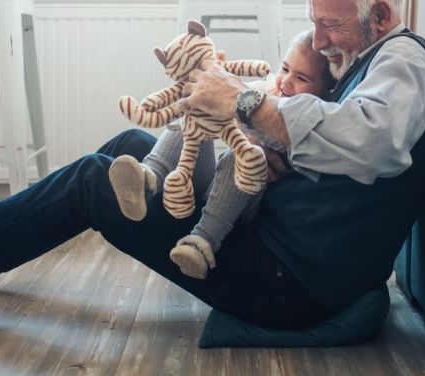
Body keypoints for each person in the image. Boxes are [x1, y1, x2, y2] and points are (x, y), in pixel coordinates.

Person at [0, 0, 425, 331]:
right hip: (270, 233)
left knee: (95, 183)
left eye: (329, 24)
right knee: (126, 149)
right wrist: (269, 141)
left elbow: (374, 139)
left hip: (287, 278)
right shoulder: (369, 58)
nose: (318, 37)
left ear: (380, 15)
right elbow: (332, 139)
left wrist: (243, 102)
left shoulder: (404, 57)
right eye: (314, 21)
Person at [108, 29, 336, 280]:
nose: (285, 82)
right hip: (212, 188)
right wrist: (216, 78)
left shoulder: (306, 123)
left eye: (301, 78)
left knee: (239, 157)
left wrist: (253, 134)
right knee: (196, 110)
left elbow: (278, 142)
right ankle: (148, 178)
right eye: (285, 68)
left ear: (322, 93)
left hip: (241, 205)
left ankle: (201, 242)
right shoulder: (268, 90)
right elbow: (231, 95)